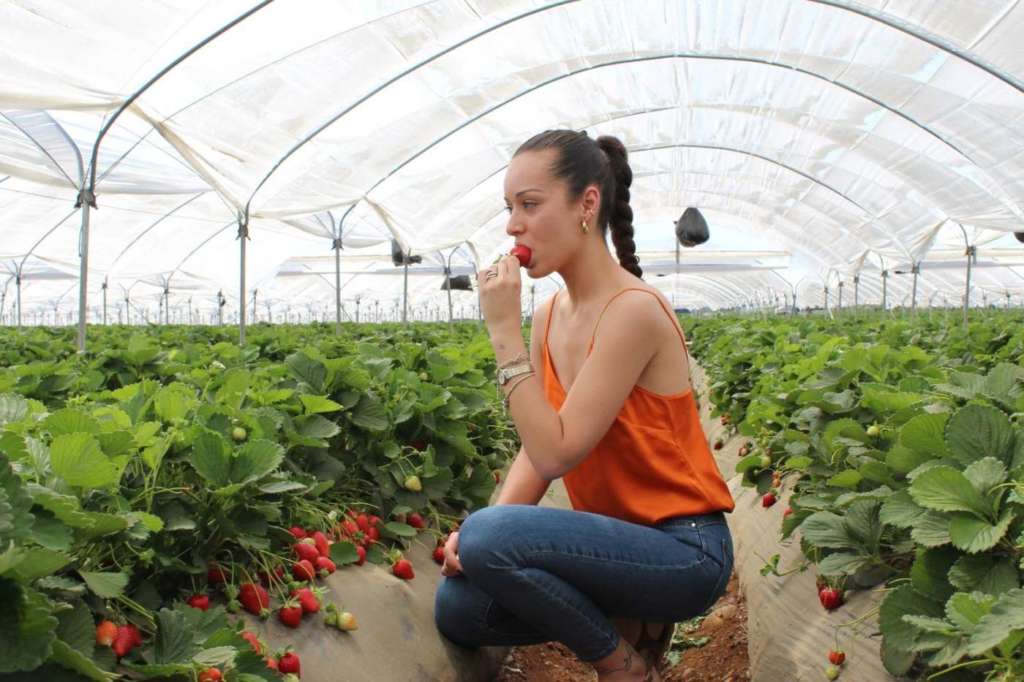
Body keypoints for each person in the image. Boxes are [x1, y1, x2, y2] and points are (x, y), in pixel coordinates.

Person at [433, 130, 735, 682]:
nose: (513, 225)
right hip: (612, 543)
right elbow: (536, 448)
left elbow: (557, 454)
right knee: (459, 606)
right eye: (509, 208)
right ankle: (626, 622)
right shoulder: (550, 314)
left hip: (684, 550)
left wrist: (503, 333)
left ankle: (621, 664)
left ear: (587, 204)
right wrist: (472, 540)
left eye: (529, 205)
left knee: (487, 538)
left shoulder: (633, 310)